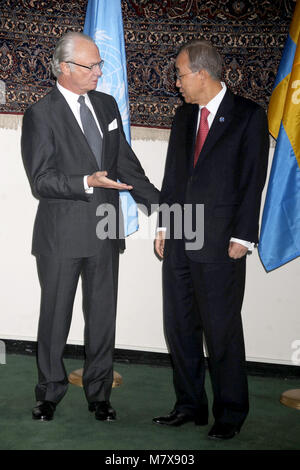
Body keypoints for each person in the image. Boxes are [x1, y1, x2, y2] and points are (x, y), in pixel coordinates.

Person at [21, 32, 159, 422]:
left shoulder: (106, 104)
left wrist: (162, 206)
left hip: (105, 229)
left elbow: (126, 165)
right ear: (64, 68)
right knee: (55, 317)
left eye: (100, 64)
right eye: (91, 65)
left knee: (102, 316)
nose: (100, 71)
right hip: (61, 234)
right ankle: (49, 392)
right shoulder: (40, 113)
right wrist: (86, 181)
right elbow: (41, 180)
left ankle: (99, 394)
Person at [153, 39, 269, 440]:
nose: (177, 82)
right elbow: (174, 176)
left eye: (181, 75)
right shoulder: (184, 116)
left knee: (220, 330)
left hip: (222, 242)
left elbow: (253, 180)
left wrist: (244, 235)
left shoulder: (248, 116)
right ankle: (189, 405)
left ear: (202, 73)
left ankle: (230, 413)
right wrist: (165, 225)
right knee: (180, 327)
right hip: (181, 235)